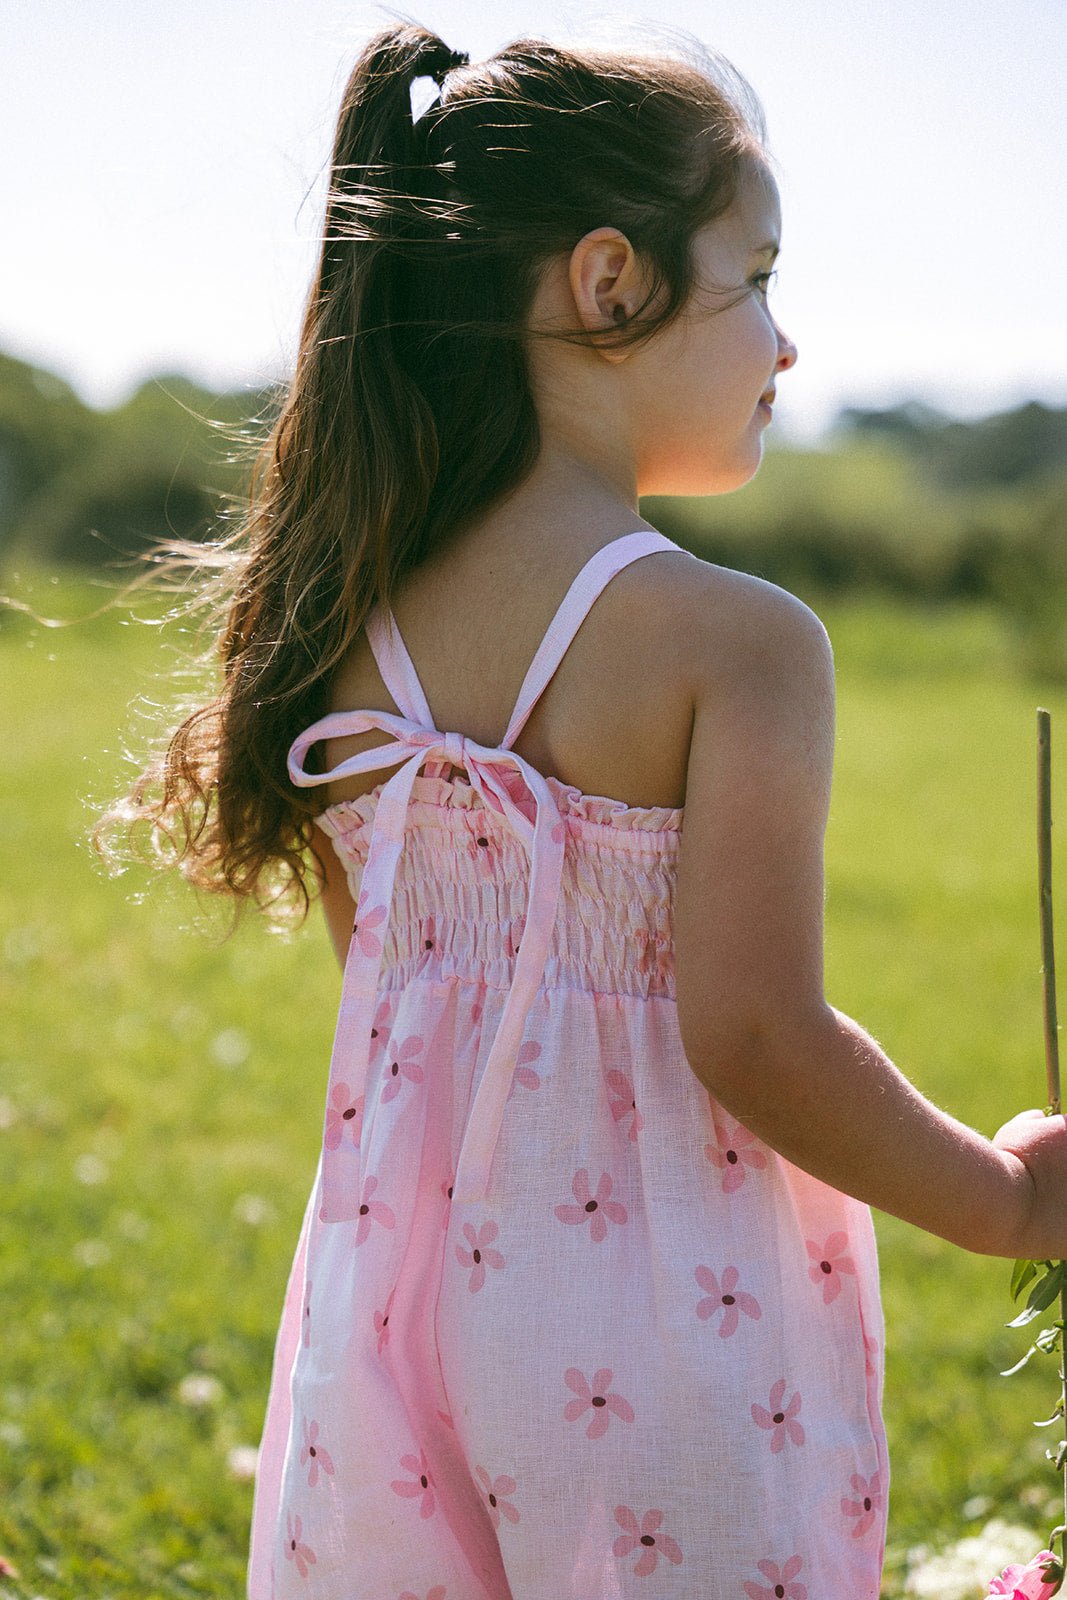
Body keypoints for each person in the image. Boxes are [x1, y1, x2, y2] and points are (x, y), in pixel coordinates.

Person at [99, 17, 1067, 1600]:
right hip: (666, 1338)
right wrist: (1010, 1197)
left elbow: (390, 1002)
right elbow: (753, 1035)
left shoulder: (346, 636)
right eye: (755, 279)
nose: (786, 341)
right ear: (612, 284)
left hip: (396, 1337)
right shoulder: (737, 644)